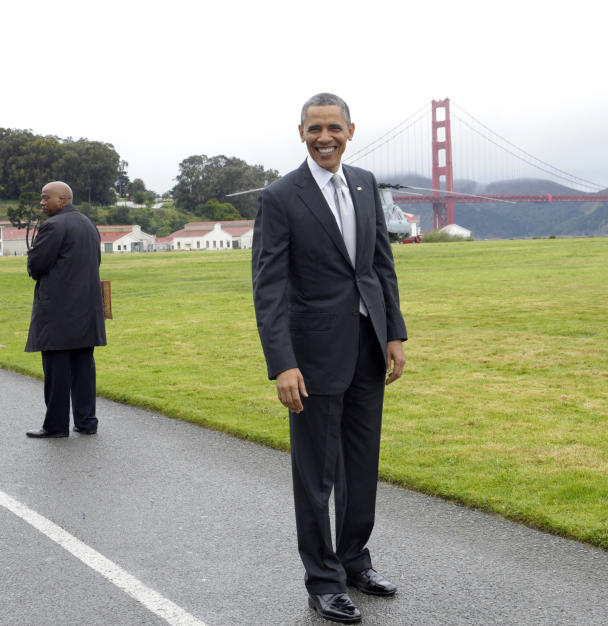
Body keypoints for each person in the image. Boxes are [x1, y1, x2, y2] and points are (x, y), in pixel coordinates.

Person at [252, 93, 407, 624]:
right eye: (315, 128)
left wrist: (394, 334)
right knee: (316, 475)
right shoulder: (280, 196)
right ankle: (323, 580)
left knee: (362, 467)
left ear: (351, 130)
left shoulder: (364, 184)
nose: (325, 137)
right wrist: (282, 363)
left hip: (368, 349)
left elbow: (379, 267)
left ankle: (354, 560)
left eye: (333, 127)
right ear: (301, 133)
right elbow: (269, 287)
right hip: (312, 358)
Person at [24, 181, 106, 438]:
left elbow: (36, 265)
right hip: (87, 309)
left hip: (58, 311)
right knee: (84, 368)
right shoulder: (88, 224)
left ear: (62, 199)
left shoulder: (53, 226)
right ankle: (86, 422)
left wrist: (32, 261)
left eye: (46, 197)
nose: (42, 202)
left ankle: (56, 426)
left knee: (57, 370)